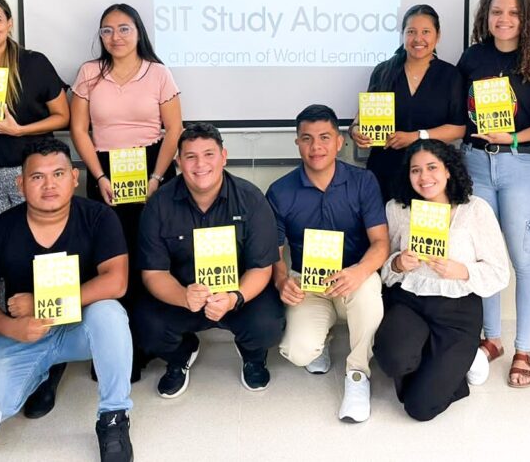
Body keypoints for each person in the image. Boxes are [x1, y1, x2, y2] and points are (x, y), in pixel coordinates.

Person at [0, 139, 134, 462]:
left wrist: (45, 299)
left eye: (58, 174)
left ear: (74, 177)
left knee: (110, 313)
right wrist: (10, 327)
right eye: (37, 177)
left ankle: (114, 416)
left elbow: (117, 281)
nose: (49, 185)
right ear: (21, 184)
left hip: (80, 327)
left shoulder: (98, 217)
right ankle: (44, 370)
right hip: (27, 331)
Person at [0, 0, 71, 417]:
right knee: (1, 263)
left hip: (37, 174)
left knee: (50, 257)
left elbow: (64, 117)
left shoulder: (34, 64)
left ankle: (51, 361)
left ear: (9, 22)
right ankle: (20, 344)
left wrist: (18, 130)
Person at [457, 0, 530, 387]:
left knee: (524, 260)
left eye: (513, 13)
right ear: (486, 16)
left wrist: (516, 137)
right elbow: (457, 113)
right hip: (475, 164)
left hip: (521, 164)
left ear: (527, 19)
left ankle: (523, 348)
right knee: (484, 257)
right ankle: (493, 339)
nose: (504, 19)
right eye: (497, 12)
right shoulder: (471, 58)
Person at [69, 3, 183, 381]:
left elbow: (174, 130)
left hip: (150, 168)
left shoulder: (159, 73)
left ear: (138, 32)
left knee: (145, 255)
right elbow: (79, 131)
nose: (115, 37)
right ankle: (111, 349)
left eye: (123, 29)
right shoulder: (89, 73)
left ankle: (146, 345)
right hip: (104, 170)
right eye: (107, 30)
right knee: (107, 258)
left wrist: (156, 178)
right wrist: (99, 176)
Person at [136, 123, 284, 397]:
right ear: (178, 161)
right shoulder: (159, 204)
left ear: (224, 156)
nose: (200, 164)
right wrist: (182, 296)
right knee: (145, 324)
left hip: (238, 295)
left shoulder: (250, 199)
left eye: (209, 154)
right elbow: (153, 273)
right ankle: (181, 356)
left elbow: (261, 267)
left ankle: (253, 355)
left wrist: (233, 298)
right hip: (183, 296)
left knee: (269, 325)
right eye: (190, 156)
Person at [267, 104, 389, 422]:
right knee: (297, 352)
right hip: (308, 282)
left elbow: (380, 244)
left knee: (370, 296)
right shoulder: (280, 191)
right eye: (307, 139)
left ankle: (358, 375)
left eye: (324, 137)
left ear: (339, 141)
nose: (316, 147)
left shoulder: (364, 182)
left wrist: (359, 271)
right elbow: (275, 252)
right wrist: (282, 281)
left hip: (354, 277)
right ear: (297, 143)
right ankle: (321, 340)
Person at [373, 140, 510, 421]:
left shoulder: (475, 209)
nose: (424, 177)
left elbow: (499, 272)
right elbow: (384, 270)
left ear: (448, 171)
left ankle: (463, 357)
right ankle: (438, 359)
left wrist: (462, 271)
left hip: (457, 310)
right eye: (415, 171)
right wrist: (399, 263)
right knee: (392, 357)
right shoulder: (398, 210)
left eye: (432, 168)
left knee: (419, 408)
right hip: (409, 302)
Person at [350, 4, 467, 202]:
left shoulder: (450, 75)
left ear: (437, 36)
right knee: (384, 230)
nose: (418, 39)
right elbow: (360, 119)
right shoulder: (384, 71)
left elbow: (458, 129)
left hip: (429, 176)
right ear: (403, 35)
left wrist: (416, 137)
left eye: (426, 32)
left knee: (423, 232)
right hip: (384, 170)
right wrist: (355, 131)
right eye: (411, 32)